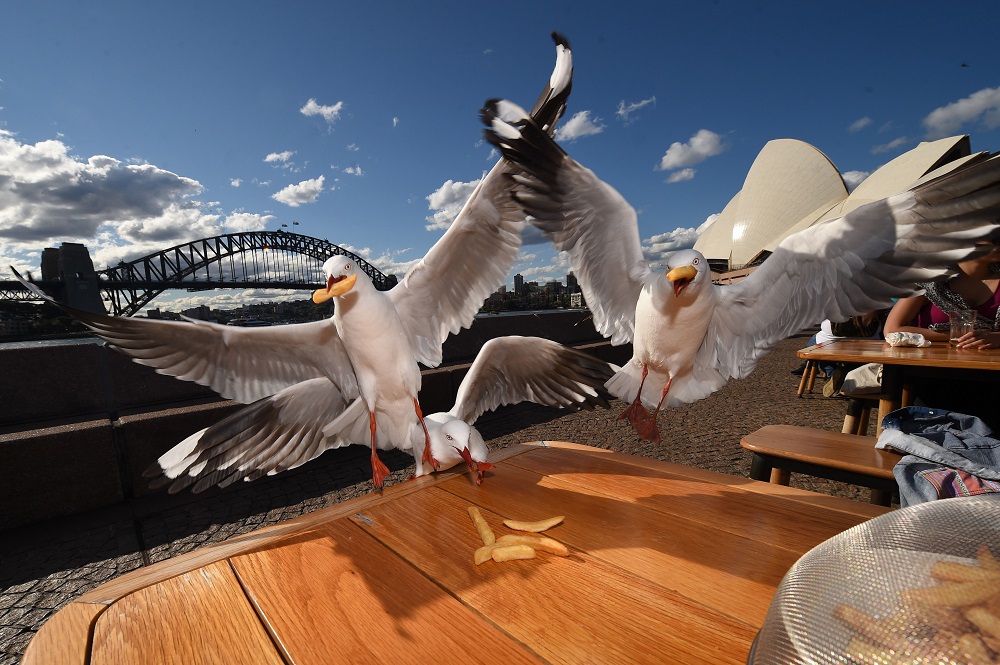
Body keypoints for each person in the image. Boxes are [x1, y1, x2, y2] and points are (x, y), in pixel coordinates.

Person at [884, 248, 1000, 349]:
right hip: (926, 366)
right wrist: (959, 335)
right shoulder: (931, 278)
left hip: (987, 368)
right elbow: (892, 330)